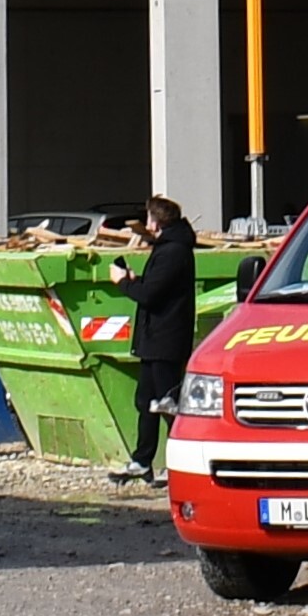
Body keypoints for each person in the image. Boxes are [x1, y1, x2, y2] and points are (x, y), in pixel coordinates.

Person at [118, 195, 201, 484]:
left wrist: (123, 282)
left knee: (169, 405)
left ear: (156, 221)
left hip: (165, 340)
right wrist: (136, 279)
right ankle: (142, 460)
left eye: (149, 218)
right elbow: (155, 287)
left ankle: (181, 463)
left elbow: (150, 296)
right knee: (147, 402)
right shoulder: (168, 249)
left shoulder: (173, 251)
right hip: (155, 339)